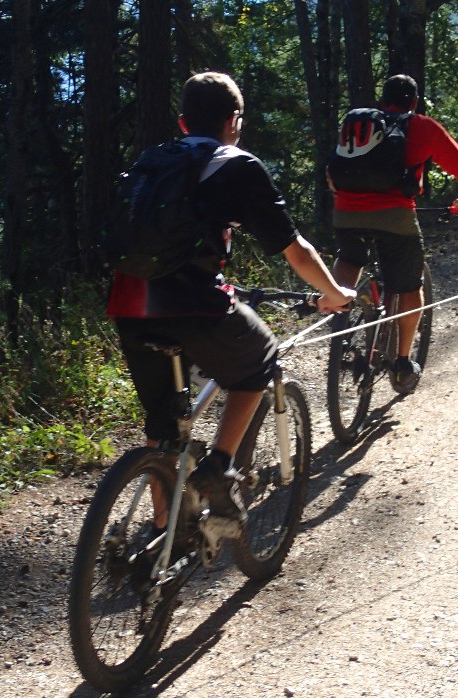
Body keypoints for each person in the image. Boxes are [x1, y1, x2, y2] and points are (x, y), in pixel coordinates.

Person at [106, 71, 354, 531]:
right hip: (195, 304)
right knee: (260, 358)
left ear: (183, 123)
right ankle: (219, 469)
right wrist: (334, 293)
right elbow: (294, 249)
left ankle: (164, 533)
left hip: (128, 306)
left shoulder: (152, 161)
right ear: (234, 120)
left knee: (163, 427)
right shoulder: (234, 163)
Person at [328, 74, 458, 394]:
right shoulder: (421, 125)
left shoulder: (359, 124)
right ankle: (402, 363)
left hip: (345, 213)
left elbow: (333, 173)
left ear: (383, 102)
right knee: (411, 285)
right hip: (395, 215)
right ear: (414, 102)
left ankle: (338, 328)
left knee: (350, 256)